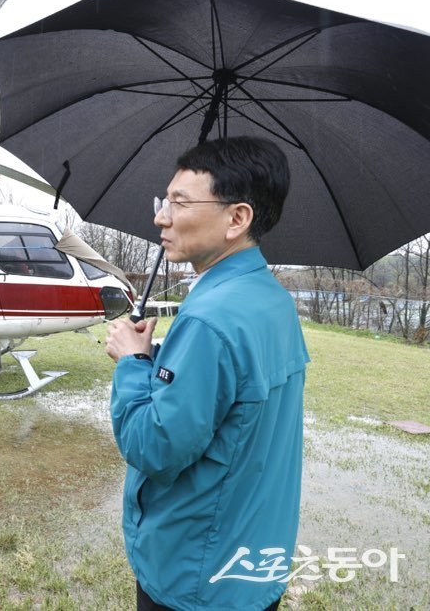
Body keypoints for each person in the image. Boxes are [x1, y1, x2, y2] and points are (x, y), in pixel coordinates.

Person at [105, 137, 309, 611]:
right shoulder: (272, 300)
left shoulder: (209, 318)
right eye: (164, 200)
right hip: (252, 558)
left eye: (179, 202)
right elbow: (233, 411)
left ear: (237, 219)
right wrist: (159, 361)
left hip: (196, 571)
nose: (161, 217)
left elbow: (154, 447)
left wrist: (134, 363)